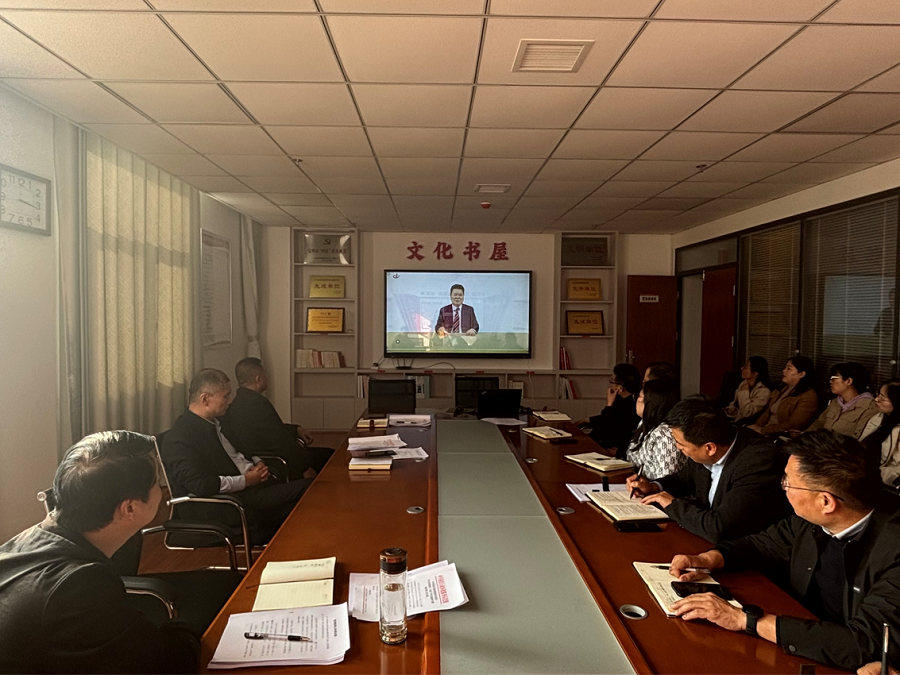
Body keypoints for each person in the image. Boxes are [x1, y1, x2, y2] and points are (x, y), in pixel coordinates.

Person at [665, 431, 900, 672]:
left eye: (788, 482)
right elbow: (763, 544)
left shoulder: (893, 549)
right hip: (796, 632)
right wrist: (707, 559)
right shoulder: (812, 520)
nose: (783, 487)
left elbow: (864, 643)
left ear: (826, 502)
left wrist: (744, 620)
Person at [0, 431, 199, 674]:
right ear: (129, 508)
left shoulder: (27, 540)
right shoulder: (79, 586)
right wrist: (186, 628)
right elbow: (166, 664)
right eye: (157, 481)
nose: (162, 488)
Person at [160, 369, 312, 544]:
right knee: (311, 491)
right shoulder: (180, 438)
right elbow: (200, 485)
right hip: (233, 504)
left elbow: (245, 448)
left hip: (254, 488)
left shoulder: (221, 420)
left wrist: (258, 462)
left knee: (314, 490)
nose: (230, 401)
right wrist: (246, 480)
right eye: (225, 396)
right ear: (205, 399)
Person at [626, 396, 790, 543]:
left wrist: (673, 505)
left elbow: (720, 528)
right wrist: (653, 487)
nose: (677, 447)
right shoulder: (708, 442)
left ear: (709, 448)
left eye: (681, 444)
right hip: (703, 539)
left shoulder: (758, 463)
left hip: (745, 551)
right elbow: (682, 479)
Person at [222, 358, 333, 481]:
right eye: (265, 374)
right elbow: (279, 442)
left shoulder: (238, 402)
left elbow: (270, 428)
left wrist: (295, 429)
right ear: (259, 379)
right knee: (330, 457)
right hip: (276, 461)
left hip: (265, 456)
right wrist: (305, 467)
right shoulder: (256, 404)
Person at [625, 378, 685, 481]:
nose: (637, 400)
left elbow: (666, 479)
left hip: (654, 488)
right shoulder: (644, 423)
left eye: (640, 396)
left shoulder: (665, 434)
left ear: (651, 403)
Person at [748, 355, 819, 437]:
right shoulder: (783, 388)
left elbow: (793, 425)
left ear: (801, 374)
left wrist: (763, 430)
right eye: (785, 367)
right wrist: (756, 427)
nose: (784, 371)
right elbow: (767, 412)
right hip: (765, 432)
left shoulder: (808, 396)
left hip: (779, 436)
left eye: (789, 369)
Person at [581, 363, 641, 457]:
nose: (610, 385)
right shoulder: (620, 399)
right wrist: (586, 420)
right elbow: (606, 418)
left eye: (612, 381)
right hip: (602, 441)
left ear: (620, 388)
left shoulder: (632, 406)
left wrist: (609, 404)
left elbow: (607, 425)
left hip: (611, 447)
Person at [805, 362, 878, 439]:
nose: (830, 381)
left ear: (849, 381)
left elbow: (858, 438)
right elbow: (820, 423)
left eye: (834, 378)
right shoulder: (835, 402)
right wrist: (803, 437)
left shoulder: (869, 406)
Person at [860, 379, 900, 486]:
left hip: (886, 481)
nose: (876, 399)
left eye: (882, 398)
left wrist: (873, 474)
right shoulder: (879, 417)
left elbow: (897, 469)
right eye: (878, 395)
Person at [725, 356, 771, 422]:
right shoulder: (744, 383)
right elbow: (736, 404)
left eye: (745, 367)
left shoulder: (764, 392)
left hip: (745, 423)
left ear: (755, 374)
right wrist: (730, 409)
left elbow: (746, 413)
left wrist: (744, 392)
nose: (742, 368)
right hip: (733, 418)